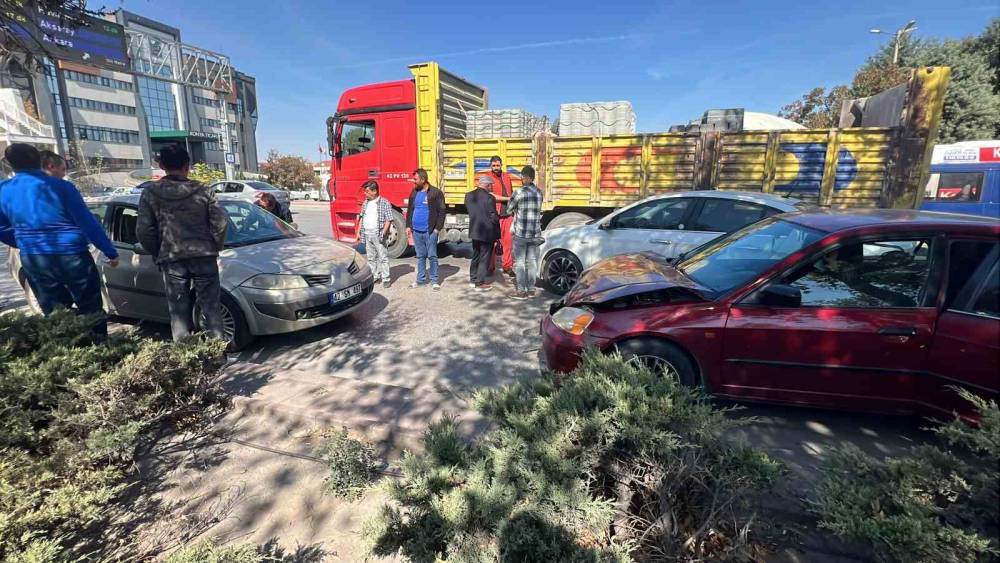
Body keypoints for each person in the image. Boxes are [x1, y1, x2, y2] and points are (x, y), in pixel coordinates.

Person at [0, 143, 118, 335]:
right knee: (91, 308)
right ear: (39, 160)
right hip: (72, 256)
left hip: (35, 258)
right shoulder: (62, 187)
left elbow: (1, 227)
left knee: (55, 314)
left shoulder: (3, 190)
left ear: (11, 164)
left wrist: (24, 241)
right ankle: (100, 351)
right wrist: (109, 250)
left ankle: (67, 350)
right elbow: (86, 221)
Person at [136, 144, 228, 342]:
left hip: (172, 259)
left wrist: (158, 251)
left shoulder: (150, 192)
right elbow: (220, 223)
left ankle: (186, 361)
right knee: (211, 310)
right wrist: (215, 245)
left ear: (161, 165)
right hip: (204, 256)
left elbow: (144, 231)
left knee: (178, 313)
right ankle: (218, 356)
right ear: (188, 165)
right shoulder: (204, 190)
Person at [503, 165, 544, 299]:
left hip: (521, 233)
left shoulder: (518, 192)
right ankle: (531, 290)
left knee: (520, 262)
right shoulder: (539, 192)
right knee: (532, 261)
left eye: (522, 176)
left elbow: (508, 210)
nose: (521, 179)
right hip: (535, 233)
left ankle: (521, 291)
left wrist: (516, 210)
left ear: (526, 177)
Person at [405, 168, 445, 290]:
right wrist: (408, 226)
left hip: (430, 231)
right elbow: (410, 209)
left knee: (432, 256)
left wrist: (437, 229)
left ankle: (434, 281)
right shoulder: (414, 192)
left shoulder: (436, 193)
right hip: (417, 231)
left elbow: (442, 212)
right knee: (420, 256)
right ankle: (420, 280)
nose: (414, 181)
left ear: (423, 179)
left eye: (416, 179)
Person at [475, 156, 514, 277]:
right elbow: (490, 195)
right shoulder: (487, 178)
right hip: (493, 215)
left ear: (501, 165)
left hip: (507, 214)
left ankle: (508, 266)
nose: (496, 168)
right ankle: (490, 267)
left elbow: (511, 192)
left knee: (508, 242)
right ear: (490, 166)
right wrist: (508, 199)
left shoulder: (507, 176)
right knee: (491, 243)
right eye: (494, 166)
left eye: (498, 165)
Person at [464, 175, 500, 292]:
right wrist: (497, 232)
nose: (492, 188)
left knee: (475, 255)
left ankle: (473, 279)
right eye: (491, 186)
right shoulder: (490, 198)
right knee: (485, 257)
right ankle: (479, 283)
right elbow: (493, 217)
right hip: (487, 232)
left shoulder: (468, 196)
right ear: (487, 185)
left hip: (475, 230)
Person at [357, 180, 393, 289]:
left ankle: (386, 278)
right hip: (367, 234)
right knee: (371, 257)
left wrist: (383, 233)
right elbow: (362, 217)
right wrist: (358, 231)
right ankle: (375, 276)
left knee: (383, 257)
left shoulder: (384, 202)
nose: (365, 193)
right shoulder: (365, 203)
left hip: (378, 234)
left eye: (367, 191)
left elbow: (389, 219)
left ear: (374, 191)